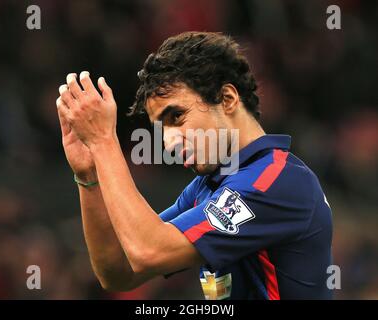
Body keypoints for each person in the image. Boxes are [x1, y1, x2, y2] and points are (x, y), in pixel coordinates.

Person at [56, 32, 333, 300]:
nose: (169, 142)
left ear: (227, 99)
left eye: (177, 116)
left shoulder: (276, 181)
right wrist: (89, 175)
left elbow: (148, 251)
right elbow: (120, 273)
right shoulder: (207, 187)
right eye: (161, 129)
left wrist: (104, 141)